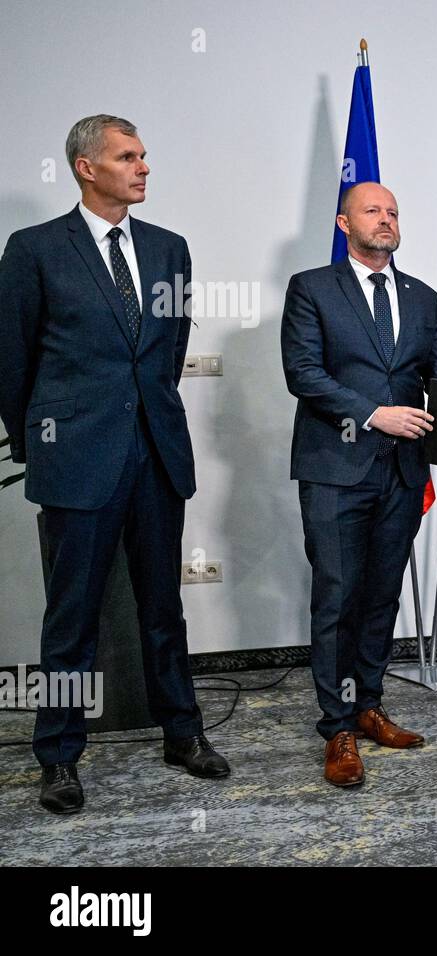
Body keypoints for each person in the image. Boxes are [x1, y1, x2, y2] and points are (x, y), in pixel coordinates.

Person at [0, 114, 230, 814]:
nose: (143, 168)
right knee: (72, 617)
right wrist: (38, 438)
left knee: (165, 606)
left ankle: (182, 733)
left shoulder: (169, 249)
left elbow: (167, 348)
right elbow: (11, 362)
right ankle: (60, 758)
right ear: (85, 166)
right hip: (77, 458)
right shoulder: (35, 249)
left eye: (144, 156)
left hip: (156, 454)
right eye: (128, 157)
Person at [281, 181, 437, 786]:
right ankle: (337, 728)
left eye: (393, 212)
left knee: (381, 594)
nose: (386, 220)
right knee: (337, 597)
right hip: (335, 470)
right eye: (373, 210)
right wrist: (373, 414)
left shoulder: (421, 297)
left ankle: (368, 705)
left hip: (402, 473)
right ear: (344, 223)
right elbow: (303, 374)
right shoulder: (312, 289)